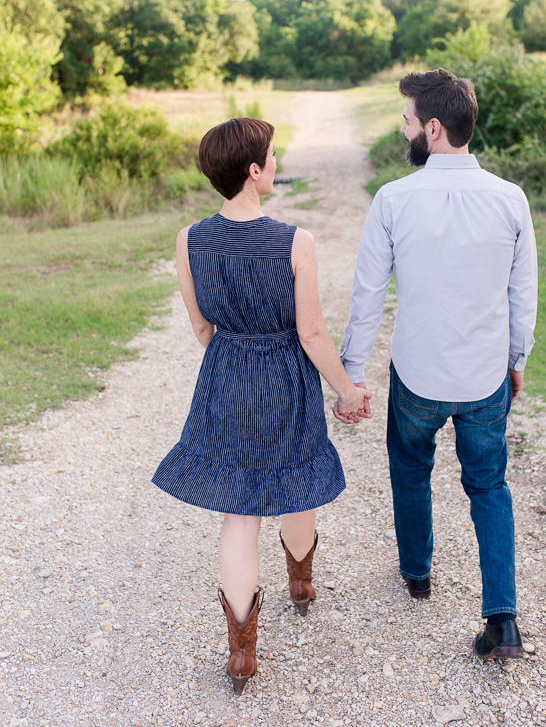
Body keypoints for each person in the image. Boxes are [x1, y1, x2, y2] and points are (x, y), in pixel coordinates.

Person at [152, 117, 370, 695]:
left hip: (226, 372)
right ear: (253, 170)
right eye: (272, 156)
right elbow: (314, 334)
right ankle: (301, 585)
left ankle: (242, 654)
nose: (275, 163)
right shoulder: (296, 240)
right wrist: (347, 391)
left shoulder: (189, 239)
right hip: (287, 377)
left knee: (238, 511)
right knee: (297, 474)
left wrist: (234, 360)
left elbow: (201, 325)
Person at [339, 68, 537, 659]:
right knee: (489, 486)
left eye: (405, 120)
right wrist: (516, 359)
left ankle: (417, 573)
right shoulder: (510, 198)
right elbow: (521, 293)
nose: (402, 130)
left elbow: (367, 293)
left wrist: (352, 372)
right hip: (484, 377)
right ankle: (503, 619)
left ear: (432, 126)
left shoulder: (394, 199)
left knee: (409, 467)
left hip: (418, 375)